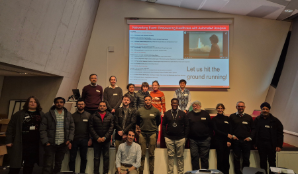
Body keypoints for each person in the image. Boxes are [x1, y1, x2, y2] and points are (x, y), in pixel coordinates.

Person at [6, 96, 44, 174]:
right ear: (27, 103)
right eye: (30, 101)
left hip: (34, 144)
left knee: (29, 165)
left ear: (37, 104)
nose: (33, 103)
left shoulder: (41, 114)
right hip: (20, 143)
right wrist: (9, 140)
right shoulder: (19, 114)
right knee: (15, 165)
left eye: (35, 102)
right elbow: (10, 127)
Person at [40, 97, 75, 174]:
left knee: (58, 164)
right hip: (50, 144)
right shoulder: (48, 115)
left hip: (63, 143)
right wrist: (46, 141)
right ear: (55, 103)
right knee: (48, 165)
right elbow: (42, 129)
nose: (59, 104)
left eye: (61, 102)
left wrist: (69, 139)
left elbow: (72, 128)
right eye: (57, 102)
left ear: (64, 103)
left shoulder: (68, 115)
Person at [252, 102, 283, 174]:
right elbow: (254, 132)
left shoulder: (275, 120)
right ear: (261, 110)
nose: (265, 110)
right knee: (262, 161)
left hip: (271, 144)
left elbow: (280, 133)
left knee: (272, 162)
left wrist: (279, 145)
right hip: (261, 144)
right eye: (263, 109)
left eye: (266, 109)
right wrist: (255, 143)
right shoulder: (257, 120)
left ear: (269, 110)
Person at [162, 98, 189, 174]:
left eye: (176, 103)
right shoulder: (167, 113)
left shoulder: (182, 114)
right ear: (171, 104)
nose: (174, 104)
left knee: (180, 157)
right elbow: (163, 125)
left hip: (180, 139)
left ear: (178, 104)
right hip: (169, 139)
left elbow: (187, 125)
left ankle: (180, 172)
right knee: (170, 157)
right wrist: (165, 136)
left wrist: (185, 137)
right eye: (173, 103)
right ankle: (170, 172)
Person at [136, 95, 161, 174]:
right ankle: (140, 171)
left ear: (151, 101)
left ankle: (151, 172)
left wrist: (152, 128)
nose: (147, 101)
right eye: (146, 100)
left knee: (151, 155)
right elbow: (137, 122)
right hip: (142, 134)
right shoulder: (139, 111)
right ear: (144, 101)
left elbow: (158, 122)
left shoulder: (156, 111)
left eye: (149, 100)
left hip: (152, 134)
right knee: (141, 155)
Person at [89, 101, 114, 174]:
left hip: (106, 140)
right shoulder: (93, 116)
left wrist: (105, 138)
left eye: (103, 106)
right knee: (96, 158)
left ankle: (105, 172)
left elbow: (111, 128)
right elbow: (91, 127)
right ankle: (96, 172)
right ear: (98, 107)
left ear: (106, 107)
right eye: (100, 106)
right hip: (96, 141)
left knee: (106, 157)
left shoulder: (110, 116)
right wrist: (97, 138)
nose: (102, 107)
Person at [229, 101, 254, 174]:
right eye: (239, 106)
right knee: (236, 159)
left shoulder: (248, 117)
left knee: (246, 159)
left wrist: (250, 137)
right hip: (236, 141)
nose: (240, 108)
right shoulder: (232, 116)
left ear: (244, 107)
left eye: (242, 106)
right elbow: (229, 128)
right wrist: (232, 136)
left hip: (246, 142)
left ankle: (245, 173)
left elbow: (253, 129)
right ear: (236, 107)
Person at [68, 99, 92, 173]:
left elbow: (91, 128)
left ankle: (82, 172)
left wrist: (90, 139)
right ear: (76, 105)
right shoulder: (72, 116)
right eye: (79, 104)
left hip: (85, 140)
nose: (80, 105)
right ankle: (72, 172)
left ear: (84, 105)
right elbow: (69, 129)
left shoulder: (88, 115)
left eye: (82, 104)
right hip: (74, 140)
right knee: (72, 158)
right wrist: (69, 141)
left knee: (84, 158)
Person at [187, 100, 212, 170]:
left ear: (200, 106)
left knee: (204, 158)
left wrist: (209, 137)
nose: (195, 107)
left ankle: (204, 173)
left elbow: (210, 126)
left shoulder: (206, 114)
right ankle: (195, 172)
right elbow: (187, 127)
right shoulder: (189, 114)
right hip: (193, 140)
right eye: (193, 106)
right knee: (194, 157)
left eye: (196, 106)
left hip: (205, 140)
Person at [114, 94, 136, 170]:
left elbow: (132, 123)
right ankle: (118, 171)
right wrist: (120, 131)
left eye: (127, 100)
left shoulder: (133, 111)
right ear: (122, 100)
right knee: (118, 155)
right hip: (118, 136)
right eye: (124, 99)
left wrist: (124, 132)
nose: (125, 101)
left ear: (129, 101)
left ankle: (126, 171)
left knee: (127, 156)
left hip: (128, 136)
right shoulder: (118, 110)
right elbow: (115, 122)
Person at [212, 103, 232, 174]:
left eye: (221, 108)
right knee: (220, 159)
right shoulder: (214, 119)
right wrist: (226, 135)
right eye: (218, 108)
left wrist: (229, 140)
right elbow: (216, 130)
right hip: (218, 141)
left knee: (226, 159)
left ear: (223, 109)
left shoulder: (227, 118)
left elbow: (230, 130)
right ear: (216, 109)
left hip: (227, 142)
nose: (220, 110)